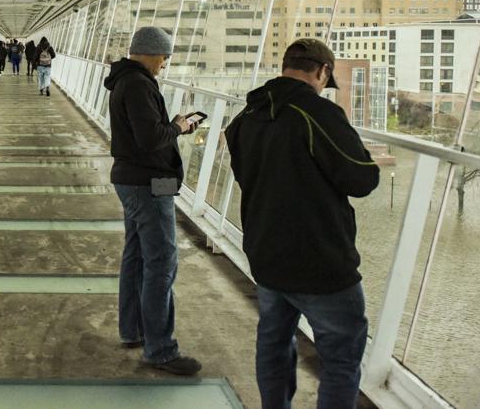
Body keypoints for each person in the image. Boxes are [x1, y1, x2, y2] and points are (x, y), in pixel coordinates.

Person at [224, 38, 379, 409]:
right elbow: (362, 179)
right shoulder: (317, 112)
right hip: (319, 262)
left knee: (274, 343)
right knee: (341, 358)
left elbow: (245, 173)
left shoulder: (248, 115)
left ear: (286, 66)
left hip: (266, 254)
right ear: (322, 71)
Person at [103, 26, 202, 377]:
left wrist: (171, 126)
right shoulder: (138, 84)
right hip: (148, 182)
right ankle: (160, 349)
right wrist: (178, 128)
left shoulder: (125, 81)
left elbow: (145, 133)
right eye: (163, 56)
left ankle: (133, 329)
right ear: (150, 52)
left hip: (133, 179)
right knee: (161, 261)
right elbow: (150, 138)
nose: (164, 63)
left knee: (137, 255)